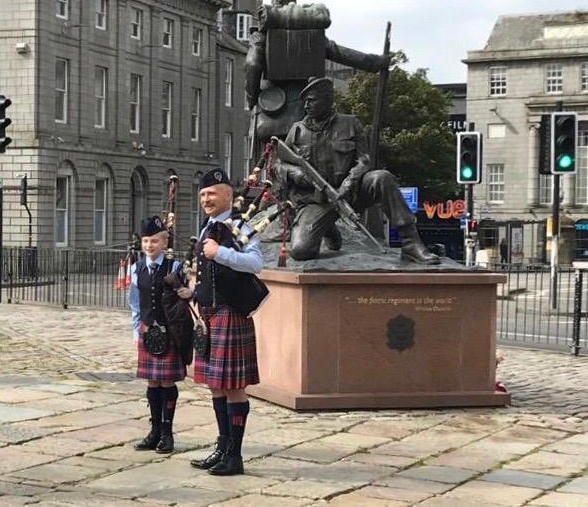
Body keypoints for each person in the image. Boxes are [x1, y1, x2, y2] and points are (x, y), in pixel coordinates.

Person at [277, 77, 439, 264]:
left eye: (312, 100)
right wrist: (294, 174)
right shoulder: (297, 131)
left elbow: (365, 160)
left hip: (351, 193)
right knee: (301, 251)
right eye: (305, 101)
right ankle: (328, 228)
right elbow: (279, 164)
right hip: (317, 201)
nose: (306, 105)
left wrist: (350, 181)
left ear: (328, 100)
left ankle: (411, 243)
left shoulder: (351, 124)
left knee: (382, 178)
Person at [190, 168, 264, 476]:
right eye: (203, 194)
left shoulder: (239, 225)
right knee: (215, 386)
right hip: (209, 313)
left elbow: (256, 263)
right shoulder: (206, 227)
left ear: (228, 196)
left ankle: (235, 456)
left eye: (213, 193)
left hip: (231, 312)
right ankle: (222, 448)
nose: (207, 199)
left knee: (233, 386)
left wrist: (220, 253)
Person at [128, 216, 192, 454]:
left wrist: (189, 292)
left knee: (167, 382)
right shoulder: (136, 267)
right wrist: (136, 331)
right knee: (152, 381)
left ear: (164, 242)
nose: (149, 245)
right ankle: (154, 431)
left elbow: (184, 294)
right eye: (146, 241)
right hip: (147, 328)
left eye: (154, 241)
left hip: (169, 330)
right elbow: (134, 302)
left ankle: (167, 433)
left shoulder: (174, 267)